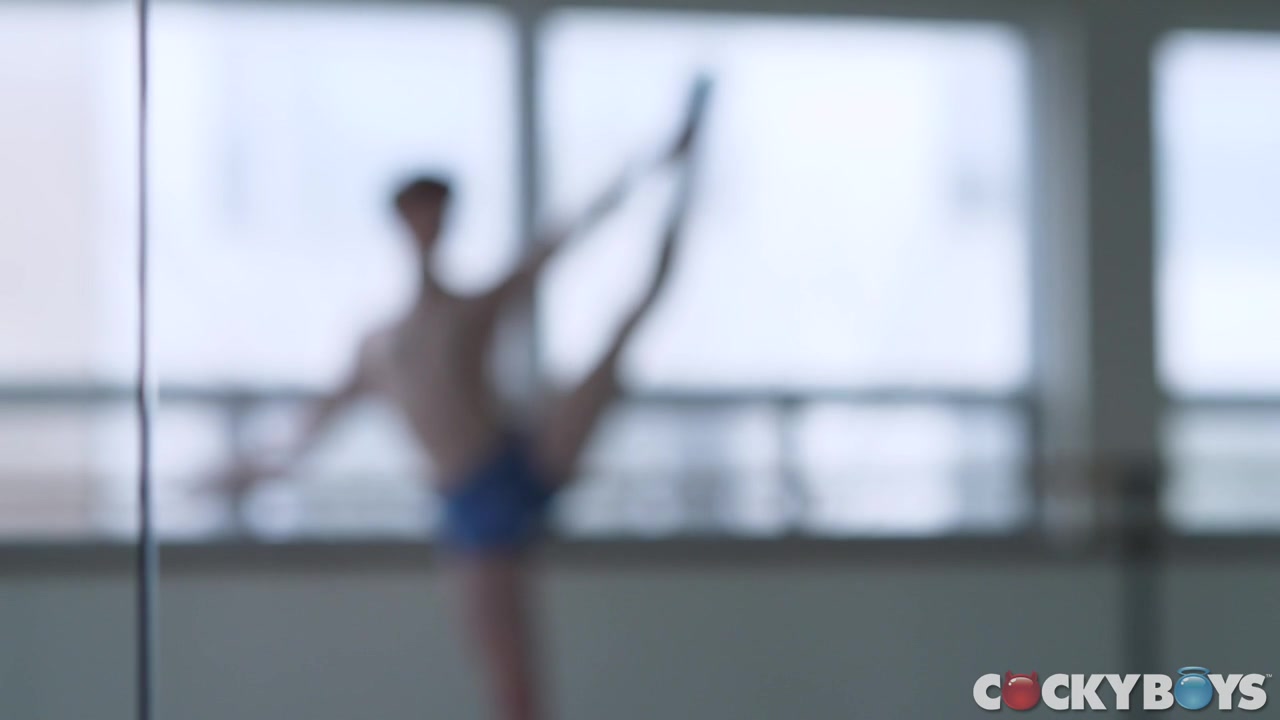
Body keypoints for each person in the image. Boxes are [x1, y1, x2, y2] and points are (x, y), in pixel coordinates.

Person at [212, 81, 710, 720]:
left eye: (437, 213)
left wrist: (652, 164)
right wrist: (246, 471)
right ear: (402, 223)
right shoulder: (378, 344)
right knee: (511, 684)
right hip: (471, 506)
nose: (428, 226)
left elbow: (560, 242)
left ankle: (685, 176)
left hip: (519, 463)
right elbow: (309, 430)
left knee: (623, 329)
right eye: (418, 214)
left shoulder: (473, 309)